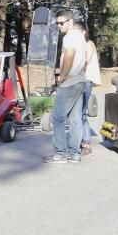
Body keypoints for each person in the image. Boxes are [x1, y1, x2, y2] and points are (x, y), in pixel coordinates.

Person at [45, 10, 87, 164]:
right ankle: (75, 154)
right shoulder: (81, 37)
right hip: (80, 80)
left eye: (61, 23)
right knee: (75, 119)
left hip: (69, 82)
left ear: (70, 21)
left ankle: (61, 154)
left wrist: (62, 76)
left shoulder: (70, 37)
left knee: (57, 118)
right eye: (57, 23)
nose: (59, 26)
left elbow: (69, 54)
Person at [80, 25, 100, 156]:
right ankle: (83, 142)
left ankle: (86, 144)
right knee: (79, 113)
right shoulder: (88, 43)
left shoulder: (88, 44)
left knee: (80, 113)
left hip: (84, 80)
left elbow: (83, 62)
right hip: (83, 80)